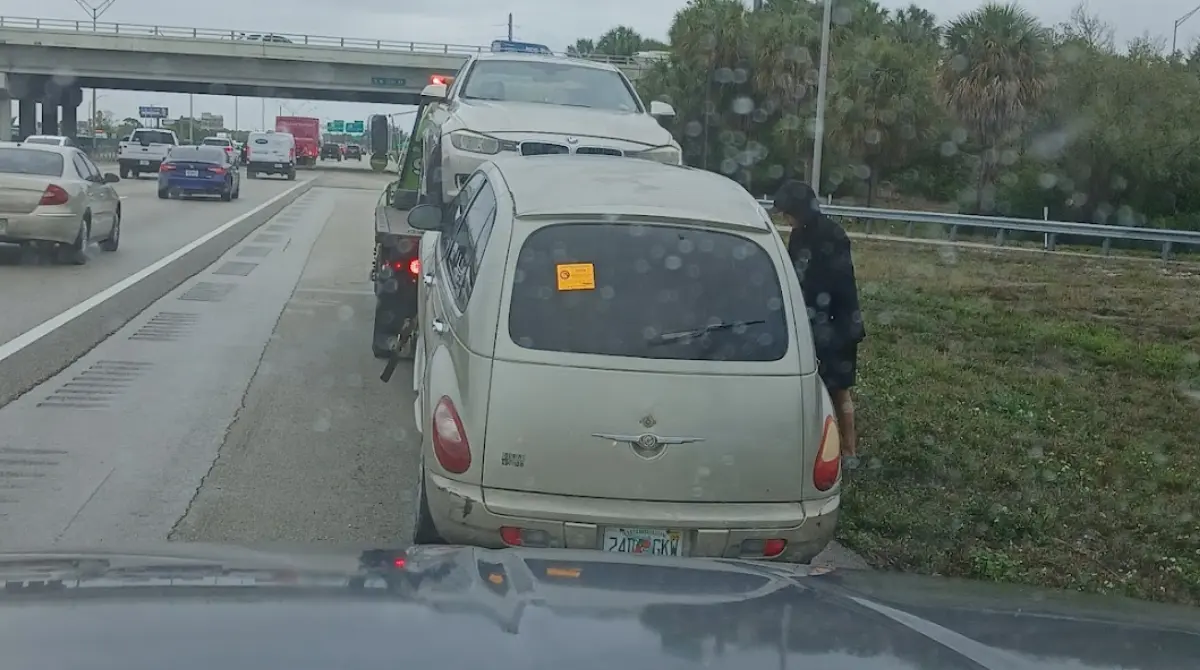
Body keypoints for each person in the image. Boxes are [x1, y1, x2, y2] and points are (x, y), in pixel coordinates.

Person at [772, 180, 866, 465]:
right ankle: (813, 444)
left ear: (798, 210)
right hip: (814, 322)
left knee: (838, 390)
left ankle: (848, 451)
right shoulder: (800, 234)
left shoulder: (831, 235)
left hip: (838, 323)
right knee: (813, 386)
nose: (785, 219)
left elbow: (828, 284)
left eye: (786, 212)